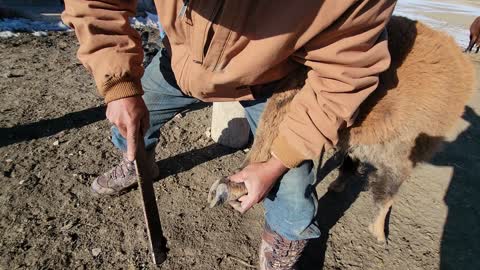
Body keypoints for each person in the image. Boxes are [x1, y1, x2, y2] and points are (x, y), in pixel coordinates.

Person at [62, 1, 396, 269]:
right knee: (130, 122)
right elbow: (97, 6)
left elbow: (346, 75)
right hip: (182, 59)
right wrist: (119, 86)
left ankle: (285, 234)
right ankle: (138, 163)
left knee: (292, 182)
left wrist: (277, 162)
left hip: (275, 79)